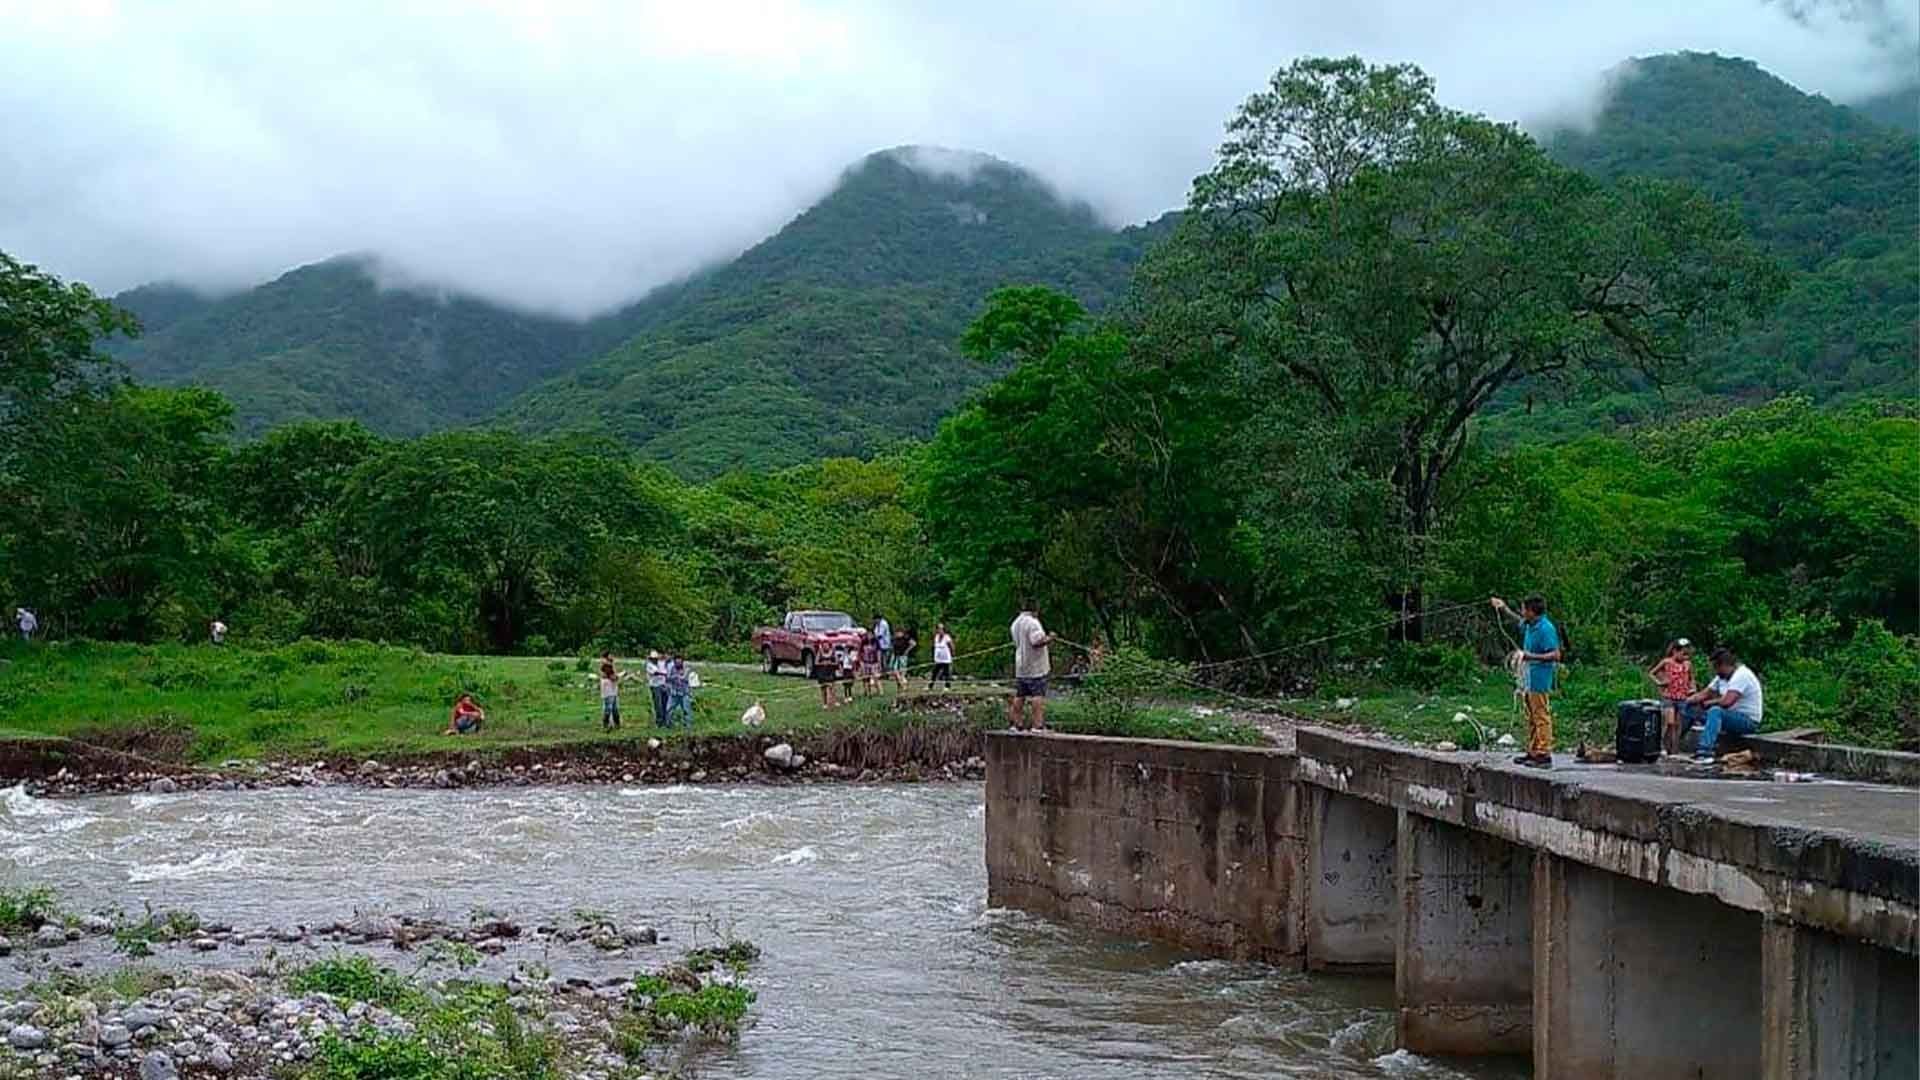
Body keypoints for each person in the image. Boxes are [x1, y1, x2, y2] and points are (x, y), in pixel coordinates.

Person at [1491, 596, 1560, 769]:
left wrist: (1529, 656)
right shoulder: (1530, 624)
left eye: (1524, 610)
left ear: (1531, 611)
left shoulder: (1546, 628)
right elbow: (1517, 621)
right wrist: (1503, 608)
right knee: (1530, 715)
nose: (1522, 613)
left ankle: (1544, 753)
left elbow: (1555, 655)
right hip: (1528, 677)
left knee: (1541, 715)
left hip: (1540, 677)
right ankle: (1534, 750)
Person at [1680, 648, 1764, 763]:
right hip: (1728, 717)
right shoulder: (1721, 677)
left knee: (1715, 711)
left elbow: (1727, 702)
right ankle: (1675, 744)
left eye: (1716, 668)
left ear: (1724, 665)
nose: (1715, 672)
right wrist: (1686, 701)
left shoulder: (1742, 675)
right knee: (1690, 709)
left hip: (1747, 721)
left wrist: (1708, 703)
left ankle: (1705, 752)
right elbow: (1704, 694)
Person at [1646, 638, 1695, 757]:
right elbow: (1651, 673)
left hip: (1682, 696)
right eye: (1682, 653)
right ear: (1675, 651)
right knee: (1670, 722)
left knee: (1678, 724)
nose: (1684, 656)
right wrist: (1659, 682)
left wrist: (1692, 688)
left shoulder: (1688, 664)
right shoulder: (1667, 662)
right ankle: (1663, 746)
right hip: (1669, 696)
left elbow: (1691, 678)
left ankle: (1674, 749)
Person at [1009, 606, 1052, 731]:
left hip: (1021, 667)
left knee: (1020, 695)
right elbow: (1036, 641)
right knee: (1037, 695)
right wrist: (1050, 638)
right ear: (1035, 610)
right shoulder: (1033, 623)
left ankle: (1016, 724)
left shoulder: (1015, 623)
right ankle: (1037, 725)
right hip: (1035, 667)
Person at [665, 654, 694, 729]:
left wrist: (680, 677)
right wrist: (674, 677)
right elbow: (667, 679)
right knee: (669, 709)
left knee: (686, 710)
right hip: (674, 693)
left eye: (679, 662)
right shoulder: (671, 668)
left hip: (684, 693)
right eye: (676, 662)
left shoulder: (686, 669)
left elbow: (685, 678)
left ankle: (688, 726)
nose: (678, 664)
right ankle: (670, 725)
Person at [598, 653, 624, 732]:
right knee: (609, 708)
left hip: (612, 689)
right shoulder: (607, 666)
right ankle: (606, 725)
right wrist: (621, 675)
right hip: (608, 690)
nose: (613, 657)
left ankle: (616, 724)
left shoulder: (609, 666)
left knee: (614, 708)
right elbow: (613, 677)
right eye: (610, 655)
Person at [645, 651, 669, 727]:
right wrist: (665, 673)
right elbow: (656, 672)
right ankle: (659, 722)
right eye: (653, 659)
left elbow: (666, 664)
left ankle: (665, 721)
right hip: (655, 686)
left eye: (656, 658)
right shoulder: (649, 665)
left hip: (663, 684)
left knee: (665, 703)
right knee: (658, 704)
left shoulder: (660, 663)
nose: (655, 660)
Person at [928, 624, 955, 691]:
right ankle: (930, 686)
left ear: (943, 630)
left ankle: (947, 686)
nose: (939, 631)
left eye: (941, 629)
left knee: (946, 673)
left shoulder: (947, 637)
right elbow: (934, 646)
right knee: (935, 672)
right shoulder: (936, 637)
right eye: (938, 629)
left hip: (946, 659)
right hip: (938, 658)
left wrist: (952, 654)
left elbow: (951, 646)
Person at [814, 645, 840, 710]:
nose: (826, 646)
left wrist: (830, 663)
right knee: (823, 689)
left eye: (827, 645)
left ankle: (834, 701)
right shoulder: (820, 652)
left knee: (832, 688)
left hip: (830, 673)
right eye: (824, 645)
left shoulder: (833, 652)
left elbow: (837, 662)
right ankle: (824, 704)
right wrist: (822, 663)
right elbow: (816, 662)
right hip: (822, 673)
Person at [891, 625, 917, 689]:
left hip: (903, 656)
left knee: (902, 671)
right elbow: (893, 648)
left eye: (898, 632)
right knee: (894, 670)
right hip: (896, 656)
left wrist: (907, 651)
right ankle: (900, 683)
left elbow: (913, 643)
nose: (897, 634)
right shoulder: (895, 639)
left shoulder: (906, 638)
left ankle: (903, 685)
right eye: (896, 633)